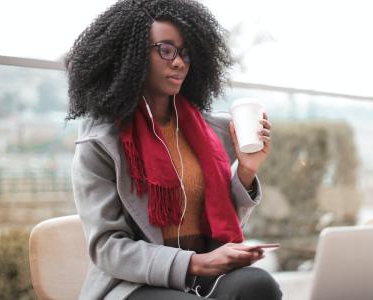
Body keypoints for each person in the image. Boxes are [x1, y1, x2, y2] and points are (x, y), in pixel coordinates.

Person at [65, 0, 281, 299]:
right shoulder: (101, 142)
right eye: (166, 50)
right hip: (134, 285)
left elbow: (222, 221)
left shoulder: (209, 131)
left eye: (186, 52)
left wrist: (246, 169)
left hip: (202, 274)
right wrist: (194, 263)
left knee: (259, 285)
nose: (179, 62)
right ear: (133, 55)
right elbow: (108, 247)